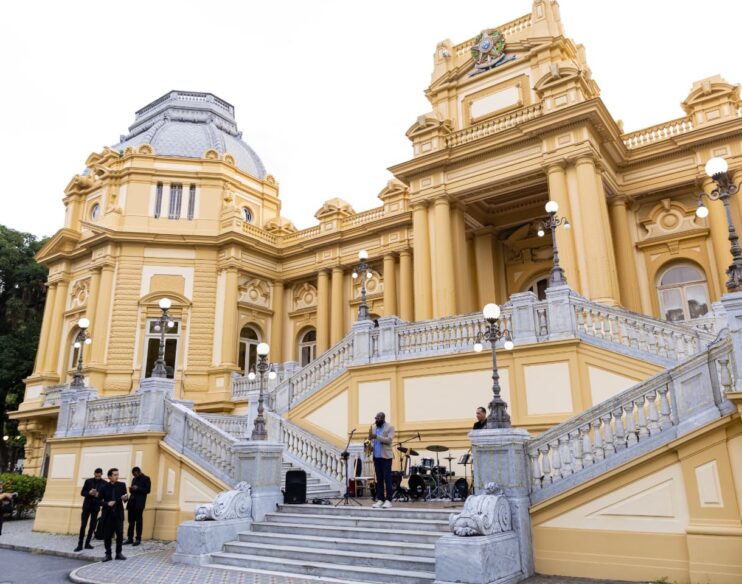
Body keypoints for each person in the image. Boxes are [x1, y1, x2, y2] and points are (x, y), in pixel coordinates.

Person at [98, 468, 128, 561]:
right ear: (109, 477)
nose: (117, 476)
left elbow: (126, 498)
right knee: (107, 536)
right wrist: (107, 503)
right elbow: (98, 501)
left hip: (118, 514)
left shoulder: (122, 485)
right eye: (115, 475)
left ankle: (118, 553)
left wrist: (125, 498)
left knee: (120, 534)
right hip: (108, 515)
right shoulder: (104, 487)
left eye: (117, 475)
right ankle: (108, 554)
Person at [368, 412, 395, 509]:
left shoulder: (390, 427)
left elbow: (389, 440)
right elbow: (373, 441)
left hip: (386, 457)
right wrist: (370, 446)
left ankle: (389, 500)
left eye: (378, 418)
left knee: (387, 478)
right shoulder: (374, 428)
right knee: (379, 479)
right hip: (376, 457)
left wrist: (376, 436)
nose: (376, 420)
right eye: (375, 418)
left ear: (383, 418)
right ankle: (380, 499)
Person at [75, 468, 105, 552]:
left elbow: (104, 496)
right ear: (94, 474)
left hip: (96, 507)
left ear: (101, 474)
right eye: (96, 475)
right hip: (87, 506)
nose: (97, 477)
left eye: (99, 476)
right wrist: (89, 493)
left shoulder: (104, 483)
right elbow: (82, 493)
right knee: (83, 525)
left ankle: (87, 543)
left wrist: (98, 495)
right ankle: (80, 545)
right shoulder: (88, 481)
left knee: (92, 526)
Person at [124, 466, 150, 546]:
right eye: (133, 475)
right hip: (131, 502)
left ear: (139, 472)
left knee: (139, 522)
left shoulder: (146, 478)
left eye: (135, 474)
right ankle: (130, 538)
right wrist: (131, 489)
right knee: (131, 522)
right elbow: (132, 491)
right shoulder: (134, 479)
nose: (134, 476)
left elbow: (147, 490)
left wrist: (138, 488)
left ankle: (138, 539)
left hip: (139, 504)